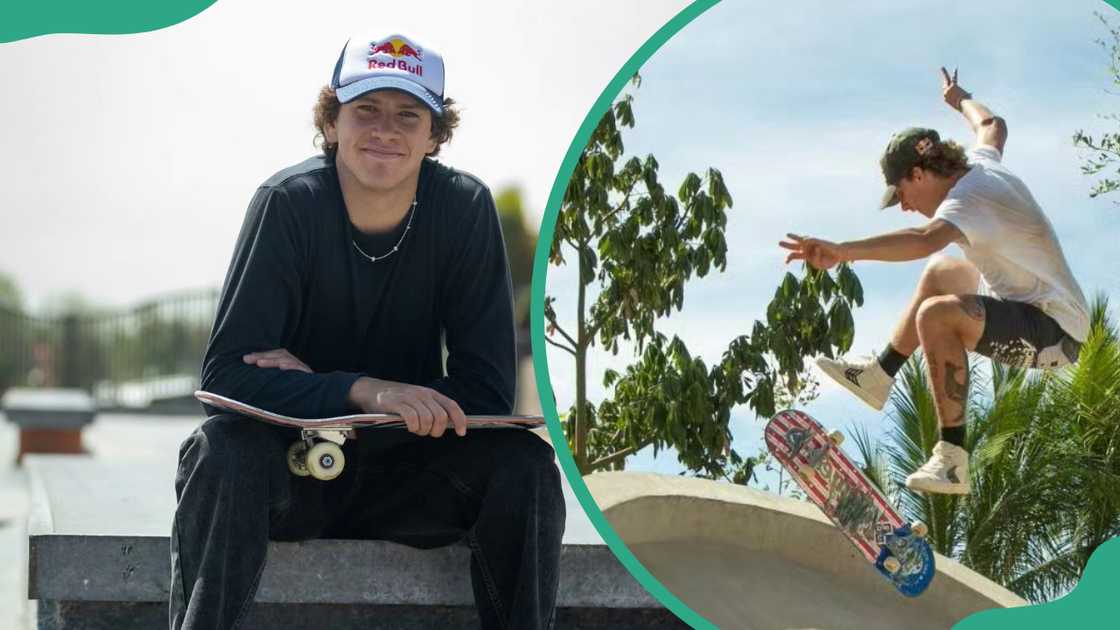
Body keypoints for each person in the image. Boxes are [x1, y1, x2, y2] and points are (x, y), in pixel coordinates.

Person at [170, 34, 564, 630]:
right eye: (365, 111)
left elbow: (484, 391)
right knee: (221, 450)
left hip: (407, 475)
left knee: (526, 466)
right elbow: (226, 378)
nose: (386, 130)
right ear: (331, 124)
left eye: (409, 115)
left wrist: (350, 398)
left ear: (435, 137)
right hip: (290, 474)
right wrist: (364, 390)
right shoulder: (288, 203)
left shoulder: (464, 209)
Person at [779, 68, 1090, 496]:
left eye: (901, 193)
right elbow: (991, 126)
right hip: (1034, 312)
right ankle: (879, 376)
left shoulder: (968, 199)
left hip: (1054, 334)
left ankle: (952, 460)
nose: (905, 206)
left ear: (920, 174)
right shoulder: (980, 166)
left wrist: (843, 250)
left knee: (937, 316)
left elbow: (923, 239)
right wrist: (959, 98)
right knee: (943, 272)